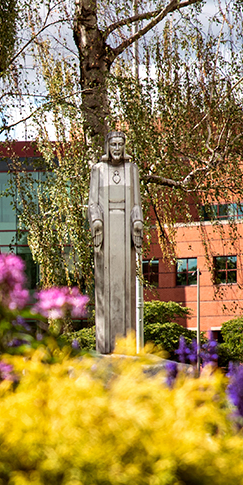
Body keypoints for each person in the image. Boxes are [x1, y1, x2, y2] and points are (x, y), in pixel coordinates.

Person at [88, 131, 143, 354]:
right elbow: (92, 203)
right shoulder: (98, 170)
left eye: (121, 144)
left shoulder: (132, 170)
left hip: (125, 234)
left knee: (126, 284)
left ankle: (126, 347)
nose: (117, 148)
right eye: (114, 144)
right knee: (107, 286)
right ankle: (106, 347)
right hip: (106, 231)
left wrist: (137, 221)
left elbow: (136, 203)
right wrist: (97, 221)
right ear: (107, 146)